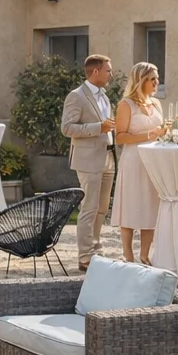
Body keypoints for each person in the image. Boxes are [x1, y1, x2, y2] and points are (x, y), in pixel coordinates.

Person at [61, 54, 118, 271]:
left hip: (108, 157)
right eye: (108, 70)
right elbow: (67, 128)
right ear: (95, 72)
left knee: (102, 208)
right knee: (89, 207)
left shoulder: (104, 96)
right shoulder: (76, 96)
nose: (111, 74)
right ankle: (85, 256)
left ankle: (96, 249)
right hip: (88, 159)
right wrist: (98, 128)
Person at [109, 61, 166, 264]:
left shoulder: (156, 103)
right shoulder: (126, 105)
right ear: (140, 81)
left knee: (151, 206)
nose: (156, 82)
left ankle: (144, 254)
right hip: (134, 160)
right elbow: (120, 137)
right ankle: (128, 254)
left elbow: (159, 131)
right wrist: (149, 134)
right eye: (152, 79)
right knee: (131, 205)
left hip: (154, 161)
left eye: (157, 78)